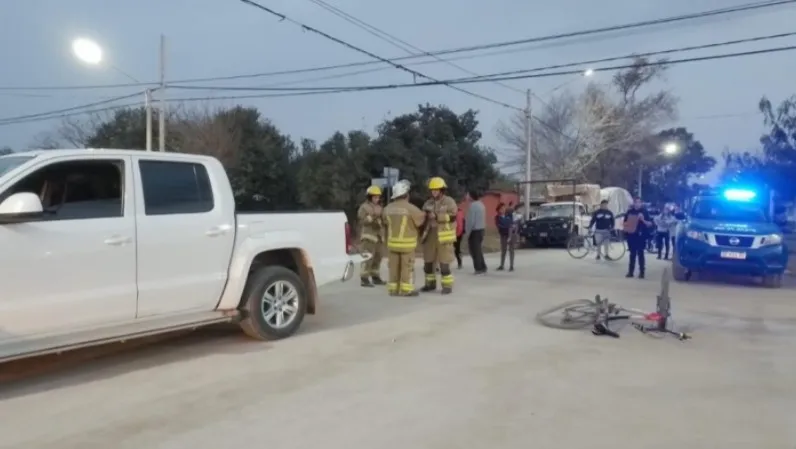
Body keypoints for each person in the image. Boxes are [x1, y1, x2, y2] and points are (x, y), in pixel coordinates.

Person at [382, 179, 426, 296]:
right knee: (406, 267)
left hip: (392, 244)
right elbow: (420, 221)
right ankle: (406, 290)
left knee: (393, 267)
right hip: (407, 245)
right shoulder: (411, 209)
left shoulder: (387, 209)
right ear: (406, 194)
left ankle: (393, 289)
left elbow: (385, 222)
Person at [420, 177, 459, 294]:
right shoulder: (428, 203)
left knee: (444, 264)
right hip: (430, 235)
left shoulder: (449, 202)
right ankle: (430, 284)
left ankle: (447, 286)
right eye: (432, 190)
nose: (434, 192)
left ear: (442, 190)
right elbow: (422, 218)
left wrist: (437, 217)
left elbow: (453, 216)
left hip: (444, 237)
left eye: (436, 190)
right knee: (428, 262)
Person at [357, 185, 386, 287]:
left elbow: (383, 220)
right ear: (369, 197)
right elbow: (361, 220)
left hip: (379, 237)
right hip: (368, 237)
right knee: (368, 257)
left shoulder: (380, 208)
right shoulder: (364, 207)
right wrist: (371, 219)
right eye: (374, 197)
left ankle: (375, 276)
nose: (377, 199)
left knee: (378, 257)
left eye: (378, 197)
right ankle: (364, 278)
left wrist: (381, 221)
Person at [623, 197, 652, 279]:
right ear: (634, 203)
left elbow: (649, 224)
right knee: (632, 254)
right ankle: (630, 272)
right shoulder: (629, 212)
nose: (637, 204)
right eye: (636, 202)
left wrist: (642, 219)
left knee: (640, 254)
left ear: (641, 203)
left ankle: (642, 272)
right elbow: (625, 223)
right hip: (631, 235)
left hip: (641, 236)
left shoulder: (644, 212)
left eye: (639, 202)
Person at [465, 189, 487, 274]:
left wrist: (467, 232)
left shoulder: (473, 206)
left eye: (467, 195)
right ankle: (483, 266)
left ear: (471, 196)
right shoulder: (481, 204)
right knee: (478, 250)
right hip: (481, 229)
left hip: (474, 231)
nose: (466, 196)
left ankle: (478, 268)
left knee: (474, 250)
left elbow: (471, 221)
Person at [495, 203, 516, 271]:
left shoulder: (509, 215)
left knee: (511, 250)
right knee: (503, 250)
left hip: (511, 234)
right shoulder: (497, 217)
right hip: (503, 235)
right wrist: (508, 226)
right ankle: (502, 265)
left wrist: (510, 227)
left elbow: (512, 224)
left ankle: (511, 266)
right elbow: (500, 226)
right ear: (498, 210)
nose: (503, 209)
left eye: (504, 208)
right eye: (501, 209)